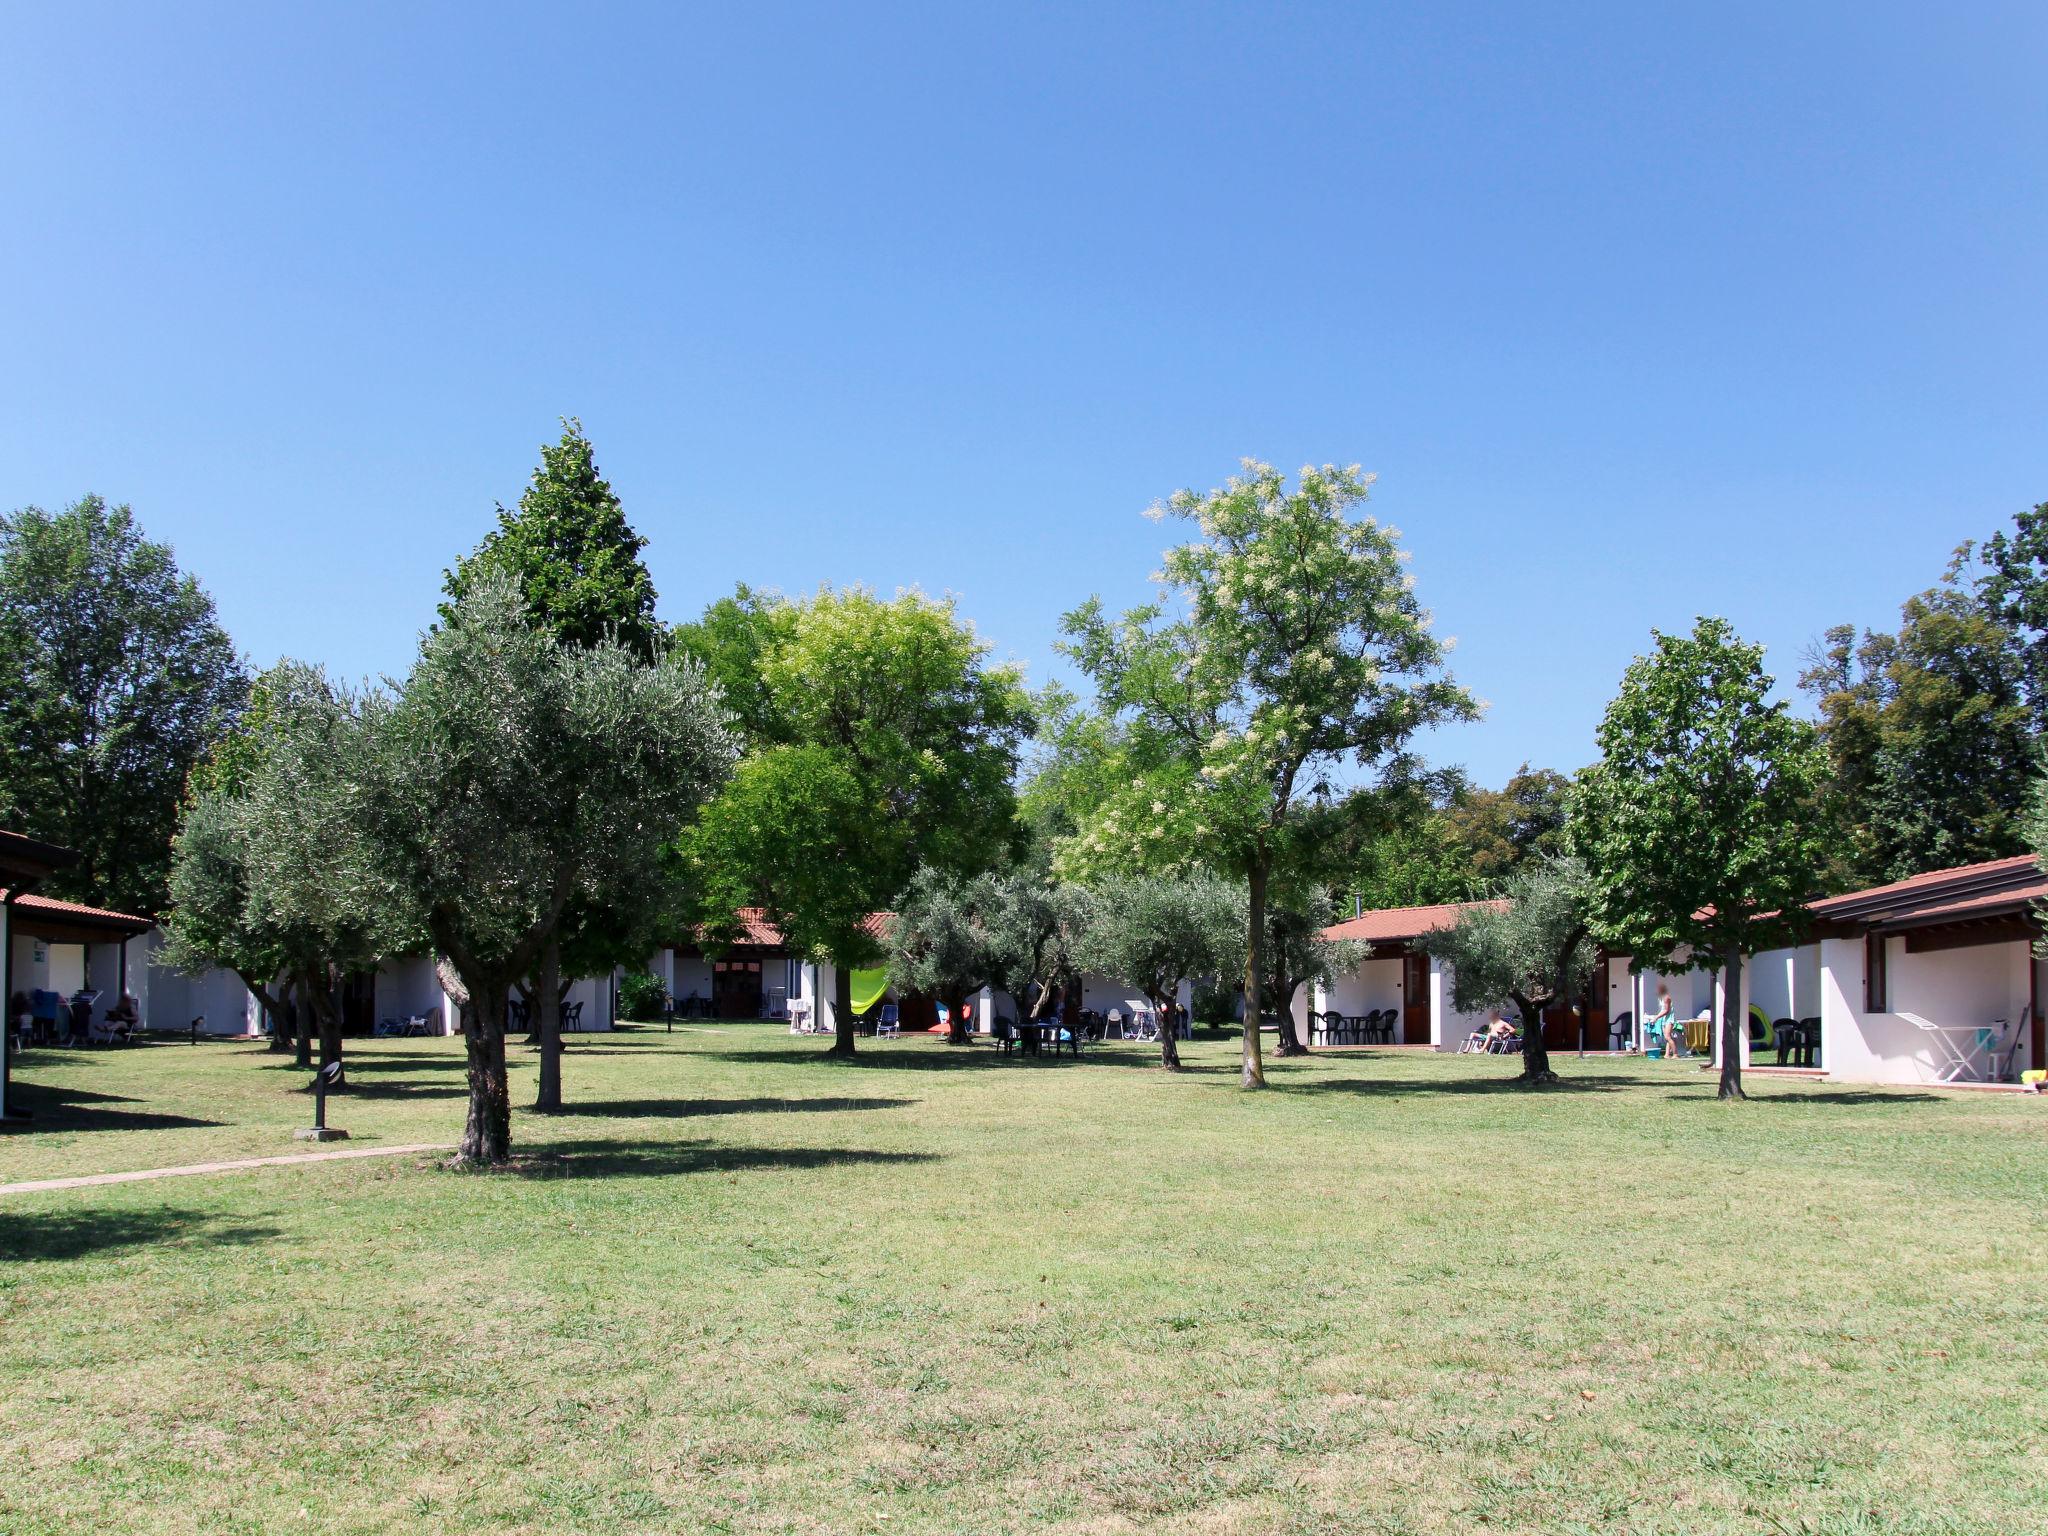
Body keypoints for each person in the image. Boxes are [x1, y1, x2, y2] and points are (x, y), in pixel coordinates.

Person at [1643, 983, 1676, 1055]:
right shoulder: (1661, 998)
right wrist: (1653, 1017)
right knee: (1667, 1037)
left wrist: (1656, 1017)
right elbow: (1662, 1010)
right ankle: (1667, 1054)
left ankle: (1675, 1054)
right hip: (1664, 1019)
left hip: (1669, 1019)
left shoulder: (1666, 998)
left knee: (1667, 1037)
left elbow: (1666, 1010)